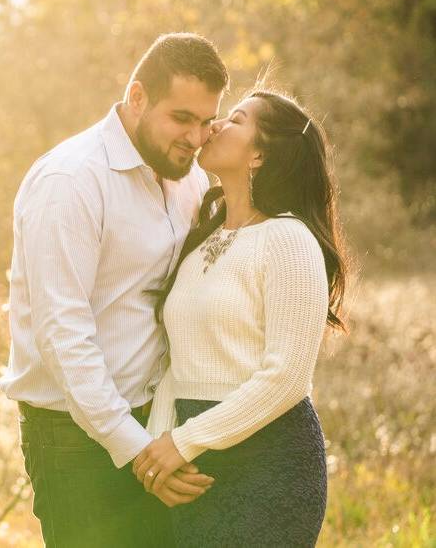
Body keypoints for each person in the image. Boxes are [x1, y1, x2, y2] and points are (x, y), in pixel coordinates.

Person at [0, 32, 227, 547]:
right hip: (76, 441)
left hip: (159, 429)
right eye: (182, 118)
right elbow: (63, 334)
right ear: (138, 96)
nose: (196, 138)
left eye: (206, 121)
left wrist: (165, 439)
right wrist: (138, 449)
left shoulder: (186, 177)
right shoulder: (71, 180)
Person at [133, 90, 348, 547]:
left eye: (235, 119)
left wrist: (184, 442)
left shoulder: (288, 239)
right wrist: (160, 449)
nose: (213, 127)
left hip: (268, 462)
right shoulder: (202, 238)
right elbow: (179, 359)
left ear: (259, 154)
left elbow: (287, 379)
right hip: (195, 464)